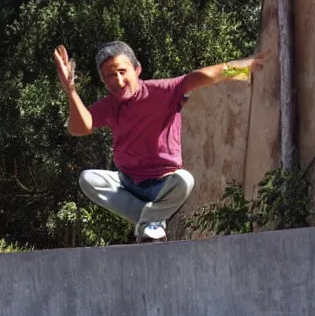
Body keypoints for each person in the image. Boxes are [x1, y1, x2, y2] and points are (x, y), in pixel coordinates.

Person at [53, 41, 266, 243]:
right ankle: (150, 220)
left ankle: (150, 220)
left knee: (184, 180)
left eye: (122, 72)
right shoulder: (110, 105)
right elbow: (79, 128)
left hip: (162, 186)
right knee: (88, 179)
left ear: (137, 70)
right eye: (110, 76)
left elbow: (203, 76)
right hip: (126, 184)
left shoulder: (161, 91)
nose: (118, 81)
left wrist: (242, 69)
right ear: (104, 81)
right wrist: (70, 90)